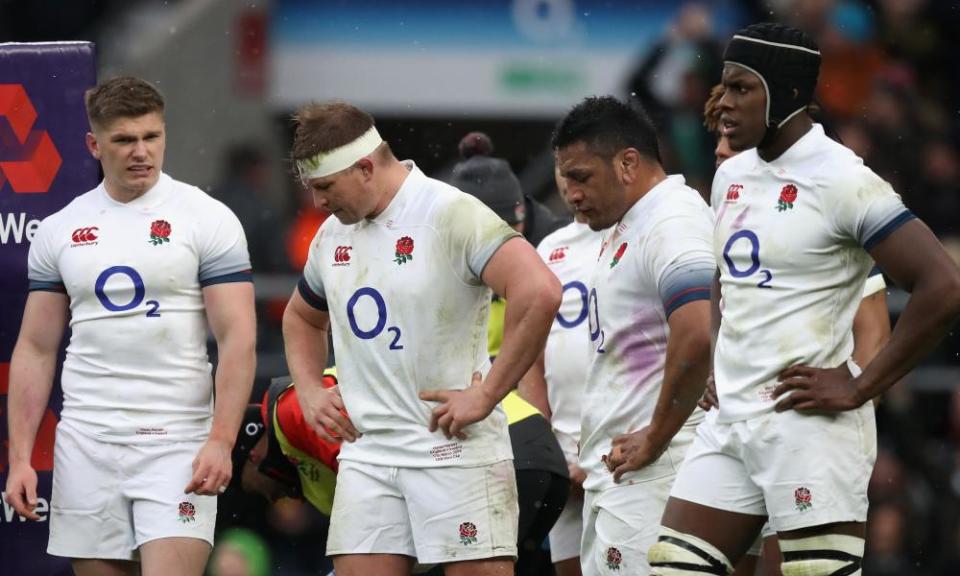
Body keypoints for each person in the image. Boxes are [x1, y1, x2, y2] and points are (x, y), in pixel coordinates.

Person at [652, 23, 960, 576]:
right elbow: (734, 277)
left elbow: (944, 286)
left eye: (741, 88)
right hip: (732, 423)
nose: (722, 103)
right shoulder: (732, 175)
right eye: (723, 87)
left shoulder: (842, 179)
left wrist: (861, 382)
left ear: (788, 95)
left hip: (807, 429)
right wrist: (724, 355)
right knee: (673, 565)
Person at [282, 102, 561, 576]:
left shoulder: (448, 212)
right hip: (368, 453)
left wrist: (488, 394)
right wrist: (309, 390)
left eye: (325, 187)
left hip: (453, 450)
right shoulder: (332, 235)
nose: (318, 204)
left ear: (366, 167)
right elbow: (301, 318)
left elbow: (539, 291)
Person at [3, 76, 256, 576]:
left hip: (177, 442)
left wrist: (221, 440)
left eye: (152, 137)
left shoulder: (207, 219)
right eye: (124, 140)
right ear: (94, 145)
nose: (141, 152)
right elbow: (35, 347)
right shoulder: (59, 230)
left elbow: (238, 338)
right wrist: (19, 458)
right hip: (87, 445)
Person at [700, 81, 893, 576]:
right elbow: (727, 299)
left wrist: (852, 395)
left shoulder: (820, 212)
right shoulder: (729, 214)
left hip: (799, 425)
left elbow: (873, 331)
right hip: (733, 428)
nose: (722, 154)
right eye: (718, 146)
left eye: (733, 146)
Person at [553, 96, 715, 575]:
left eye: (581, 177)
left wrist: (657, 437)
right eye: (566, 180)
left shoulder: (672, 220)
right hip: (626, 475)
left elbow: (698, 331)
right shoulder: (630, 223)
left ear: (627, 163)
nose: (573, 194)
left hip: (657, 472)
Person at [448, 133, 571, 576]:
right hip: (471, 414)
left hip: (539, 422)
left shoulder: (558, 250)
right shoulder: (441, 247)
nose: (505, 251)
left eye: (512, 233)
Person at [516, 163, 603, 576]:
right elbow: (531, 357)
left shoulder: (650, 235)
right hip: (567, 466)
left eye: (580, 172)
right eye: (560, 172)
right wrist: (549, 451)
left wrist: (603, 458)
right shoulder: (550, 249)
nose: (570, 186)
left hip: (629, 456)